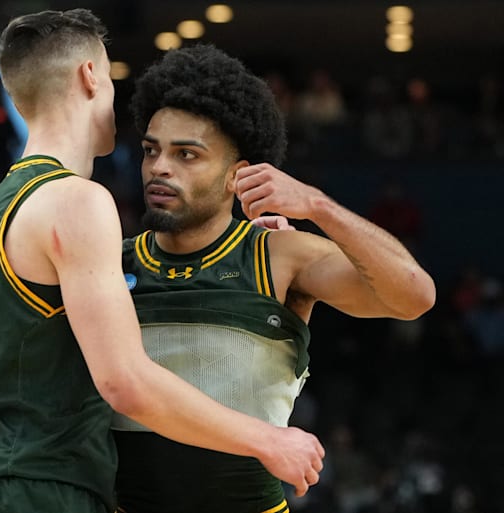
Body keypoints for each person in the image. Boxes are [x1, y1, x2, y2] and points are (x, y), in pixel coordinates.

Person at [0, 9, 324, 513]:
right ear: (89, 76)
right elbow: (124, 383)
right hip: (46, 493)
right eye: (109, 77)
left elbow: (10, 391)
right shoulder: (79, 201)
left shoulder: (0, 206)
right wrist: (267, 439)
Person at [112, 42, 435, 513]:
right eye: (151, 150)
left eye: (187, 155)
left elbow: (415, 296)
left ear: (237, 176)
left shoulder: (279, 255)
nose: (160, 167)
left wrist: (319, 206)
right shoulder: (108, 264)